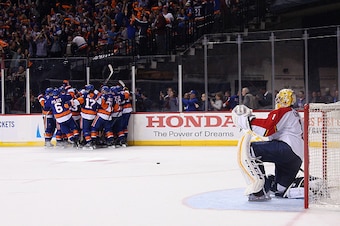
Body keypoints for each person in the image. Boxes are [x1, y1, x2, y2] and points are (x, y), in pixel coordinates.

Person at [232, 89, 303, 201]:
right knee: (280, 189)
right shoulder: (295, 114)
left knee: (250, 150)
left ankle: (259, 192)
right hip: (296, 157)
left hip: (287, 149)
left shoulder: (284, 111)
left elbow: (267, 129)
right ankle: (305, 185)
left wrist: (247, 120)